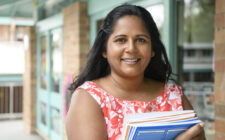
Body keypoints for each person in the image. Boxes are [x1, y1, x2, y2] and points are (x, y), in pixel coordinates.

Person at [66, 4, 205, 140]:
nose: (131, 48)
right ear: (104, 50)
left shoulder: (172, 94)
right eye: (121, 40)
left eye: (140, 40)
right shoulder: (89, 98)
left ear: (152, 50)